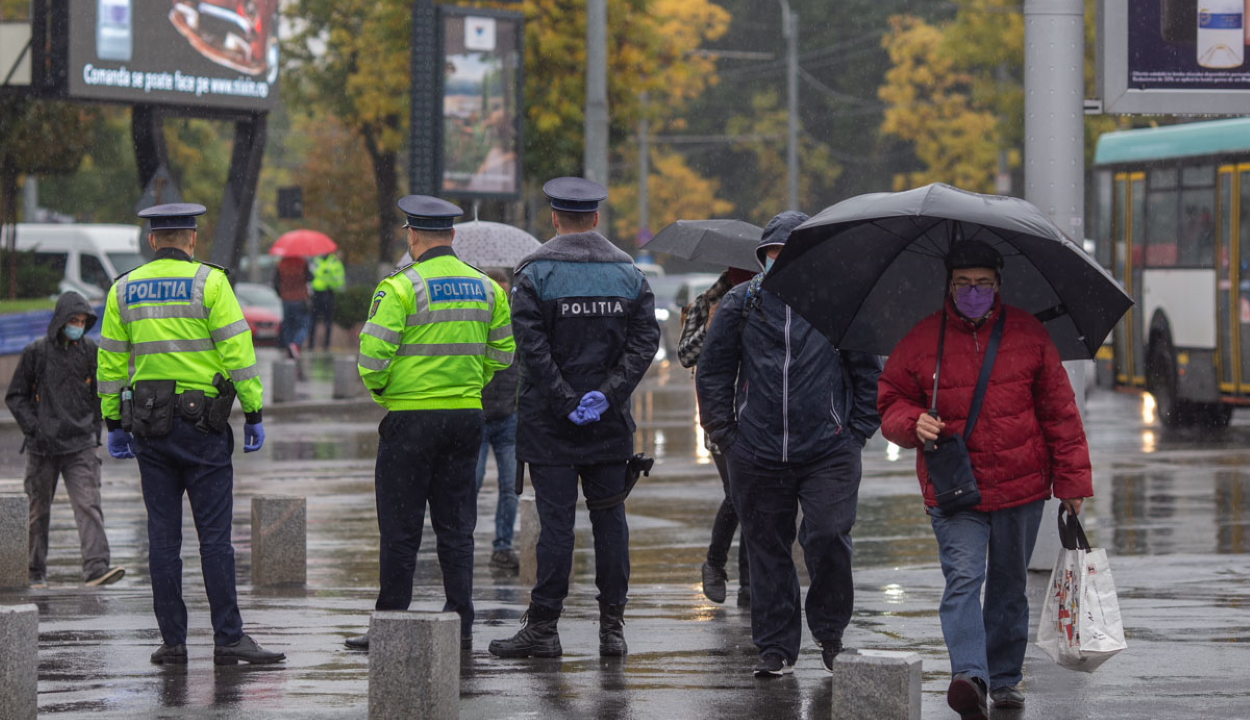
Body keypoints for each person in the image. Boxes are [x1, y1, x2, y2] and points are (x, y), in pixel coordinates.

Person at [876, 239, 1092, 719]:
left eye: (983, 284)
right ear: (948, 285)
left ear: (998, 285)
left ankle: (1005, 678)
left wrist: (1073, 482)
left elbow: (1060, 413)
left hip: (1022, 486)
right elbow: (889, 401)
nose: (973, 292)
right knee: (963, 579)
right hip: (955, 489)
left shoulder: (1029, 334)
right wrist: (912, 421)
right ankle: (970, 675)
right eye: (963, 284)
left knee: (1009, 586)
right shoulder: (921, 339)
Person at [695, 211, 882, 678]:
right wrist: (727, 435)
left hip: (829, 450)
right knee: (767, 549)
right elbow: (712, 371)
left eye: (790, 255)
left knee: (827, 537)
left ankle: (831, 633)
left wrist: (855, 432)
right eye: (773, 256)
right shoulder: (742, 303)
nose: (781, 263)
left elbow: (868, 376)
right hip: (756, 451)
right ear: (762, 259)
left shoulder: (838, 303)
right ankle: (776, 647)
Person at [97, 203, 283, 666]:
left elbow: (110, 363)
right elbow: (238, 352)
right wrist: (254, 410)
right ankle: (228, 638)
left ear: (152, 240)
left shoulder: (123, 288)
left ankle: (173, 642)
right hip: (203, 426)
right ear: (193, 238)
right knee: (215, 538)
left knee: (162, 539)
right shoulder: (211, 282)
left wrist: (113, 424)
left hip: (149, 425)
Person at [488, 177, 660, 660]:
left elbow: (531, 346)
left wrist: (565, 400)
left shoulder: (535, 272)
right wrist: (606, 396)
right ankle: (612, 629)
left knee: (556, 526)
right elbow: (645, 341)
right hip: (608, 427)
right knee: (610, 524)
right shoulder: (628, 273)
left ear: (555, 218)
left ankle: (544, 628)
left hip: (550, 425)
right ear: (597, 218)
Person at [346, 195, 514, 651]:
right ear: (453, 236)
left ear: (413, 235)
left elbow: (372, 358)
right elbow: (503, 353)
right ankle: (459, 619)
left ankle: (391, 621)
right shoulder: (487, 287)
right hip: (465, 418)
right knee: (456, 527)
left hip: (411, 420)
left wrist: (388, 395)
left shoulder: (400, 288)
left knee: (400, 530)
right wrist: (469, 385)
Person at [6, 292, 125, 589]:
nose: (79, 326)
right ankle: (34, 571)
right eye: (74, 320)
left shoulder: (90, 351)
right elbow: (16, 397)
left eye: (83, 321)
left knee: (89, 505)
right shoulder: (36, 352)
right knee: (37, 511)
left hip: (80, 445)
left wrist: (94, 428)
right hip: (42, 448)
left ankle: (97, 568)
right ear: (60, 321)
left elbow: (101, 394)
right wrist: (35, 428)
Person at [677, 267, 756, 606]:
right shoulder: (705, 303)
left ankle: (750, 587)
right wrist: (711, 324)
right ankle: (715, 562)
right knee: (738, 493)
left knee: (756, 498)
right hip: (721, 415)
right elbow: (686, 355)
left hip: (758, 412)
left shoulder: (768, 301)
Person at [476, 268, 521, 571]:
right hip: (476, 416)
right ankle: (460, 543)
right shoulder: (473, 321)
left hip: (508, 416)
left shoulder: (519, 323)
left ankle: (502, 547)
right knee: (471, 483)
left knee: (509, 487)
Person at [273, 254, 312, 359]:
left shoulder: (281, 264)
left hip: (286, 299)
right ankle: (296, 344)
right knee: (304, 324)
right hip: (300, 298)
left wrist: (281, 293)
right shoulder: (302, 262)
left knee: (288, 324)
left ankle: (289, 346)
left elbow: (276, 282)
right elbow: (310, 278)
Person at [308, 250, 346, 351]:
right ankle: (311, 344)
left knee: (328, 321)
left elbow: (339, 280)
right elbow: (310, 276)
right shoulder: (315, 261)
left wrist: (330, 279)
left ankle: (326, 345)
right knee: (313, 320)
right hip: (316, 294)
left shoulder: (334, 263)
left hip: (329, 293)